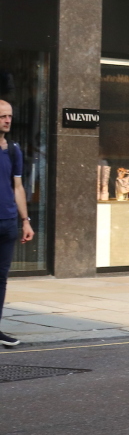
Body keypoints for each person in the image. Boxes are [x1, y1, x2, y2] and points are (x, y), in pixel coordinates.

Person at [0, 100, 35, 347]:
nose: (7, 120)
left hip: (8, 222)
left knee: (1, 278)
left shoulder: (13, 149)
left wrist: (26, 221)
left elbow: (18, 187)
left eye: (10, 116)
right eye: (2, 116)